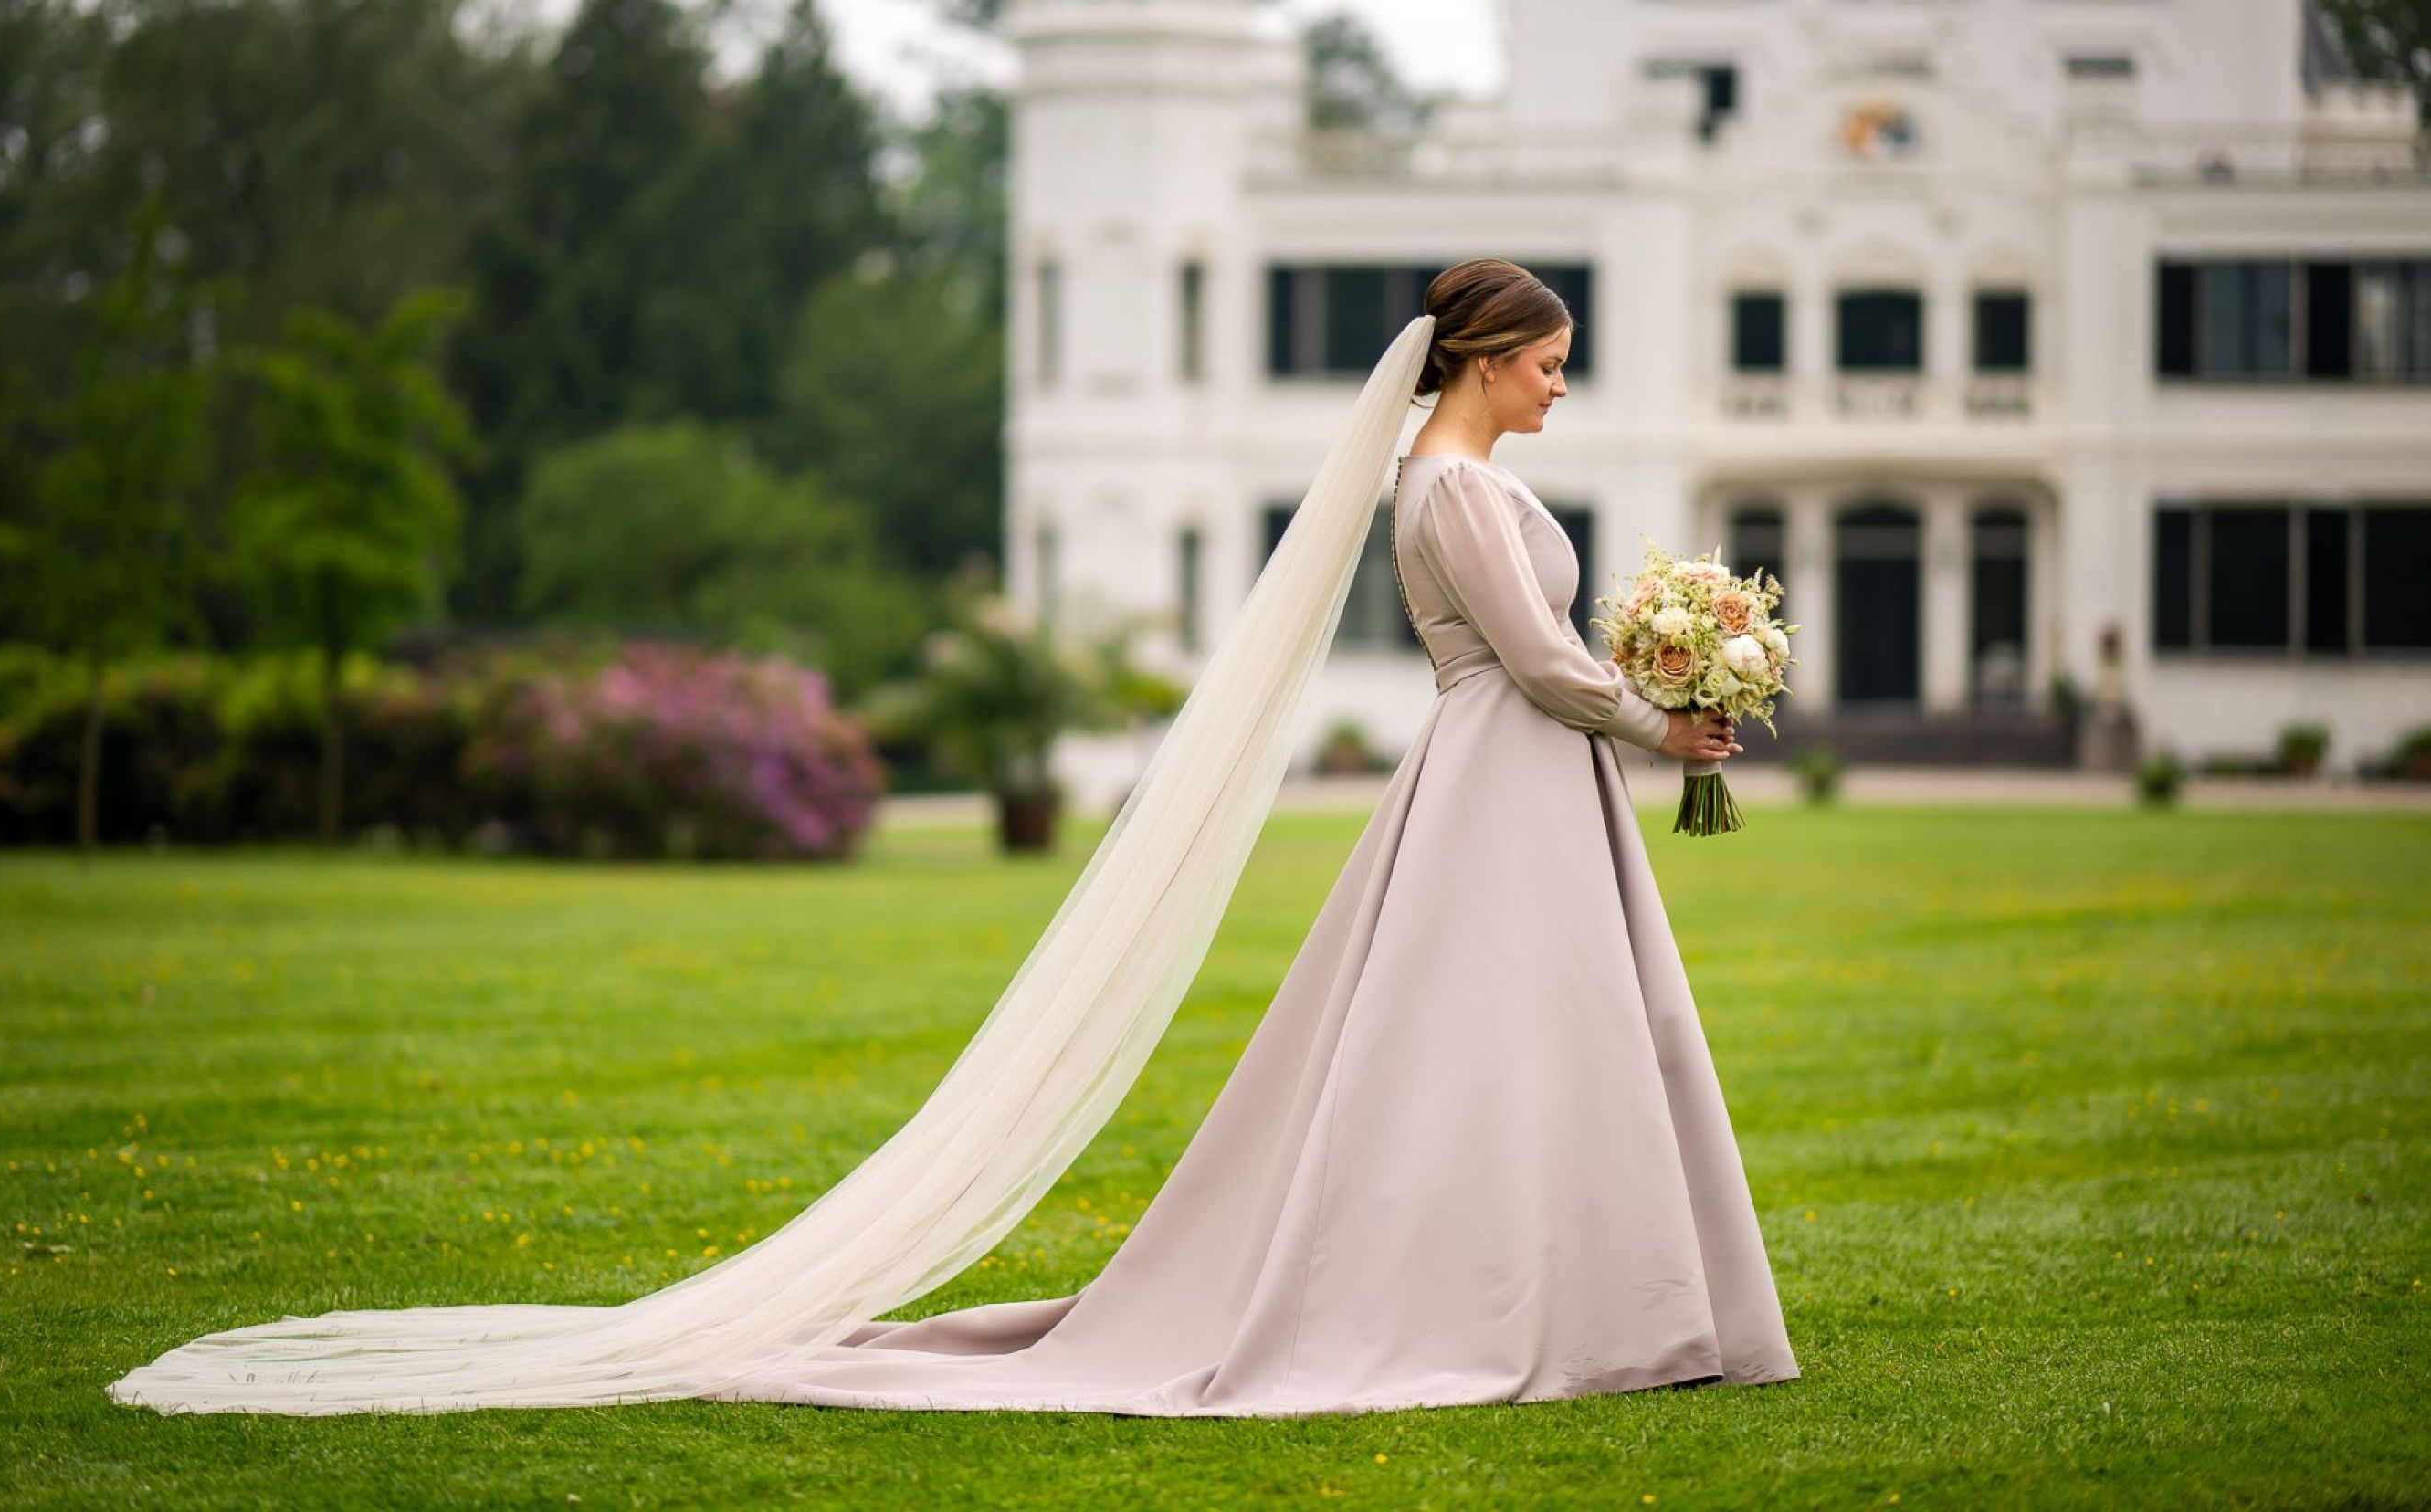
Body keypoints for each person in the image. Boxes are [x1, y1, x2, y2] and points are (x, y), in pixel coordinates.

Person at [109, 260, 1798, 1417]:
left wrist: (1654, 712)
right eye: (1549, 364)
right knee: (1479, 1044)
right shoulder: (1449, 488)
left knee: (1542, 1042)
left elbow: (1549, 665)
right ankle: (1518, 1298)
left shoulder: (1462, 484)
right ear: (1486, 360)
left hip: (1518, 784)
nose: (1562, 389)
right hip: (1502, 778)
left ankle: (1590, 1288)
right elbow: (1536, 663)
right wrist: (1667, 723)